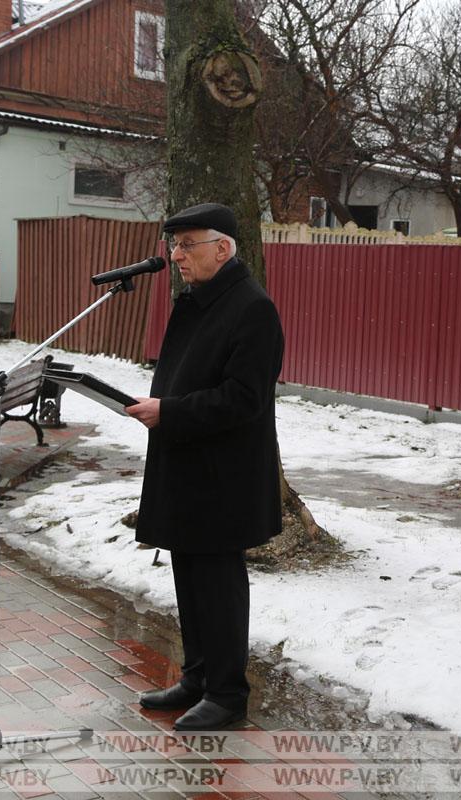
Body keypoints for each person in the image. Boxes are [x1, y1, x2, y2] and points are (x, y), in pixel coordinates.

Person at [127, 202, 284, 732]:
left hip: (224, 474)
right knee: (188, 575)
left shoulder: (251, 308)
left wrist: (168, 412)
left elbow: (244, 398)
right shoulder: (197, 301)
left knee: (217, 582)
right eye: (173, 246)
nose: (175, 256)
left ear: (222, 248)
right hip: (185, 460)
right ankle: (197, 677)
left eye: (186, 245)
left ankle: (227, 692)